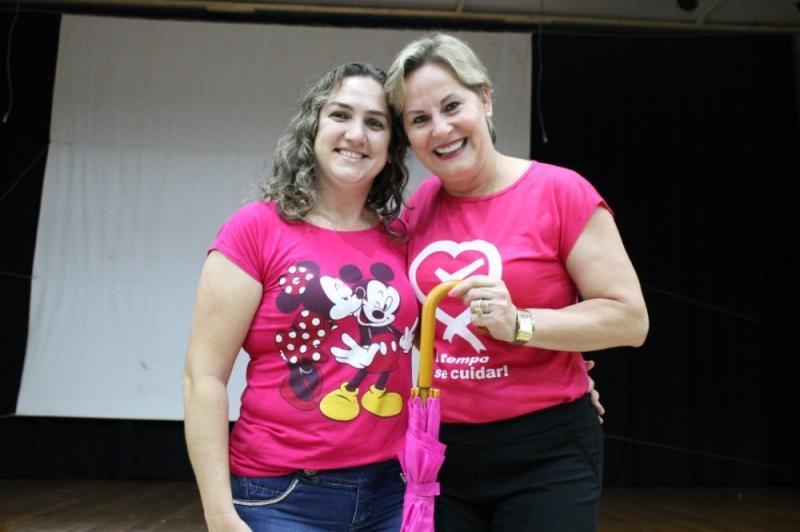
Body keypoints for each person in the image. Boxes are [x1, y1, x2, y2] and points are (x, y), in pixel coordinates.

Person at [386, 34, 649, 531]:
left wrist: (522, 325)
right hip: (441, 454)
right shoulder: (417, 208)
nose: (440, 129)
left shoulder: (561, 191)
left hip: (545, 454)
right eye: (419, 119)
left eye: (452, 106)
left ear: (485, 99)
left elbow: (630, 319)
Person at [182, 62, 419, 532]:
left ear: (392, 146)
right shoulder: (255, 229)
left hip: (393, 492)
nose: (356, 134)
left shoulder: (404, 237)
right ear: (313, 126)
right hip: (281, 497)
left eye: (375, 123)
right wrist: (219, 513)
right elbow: (203, 377)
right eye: (340, 115)